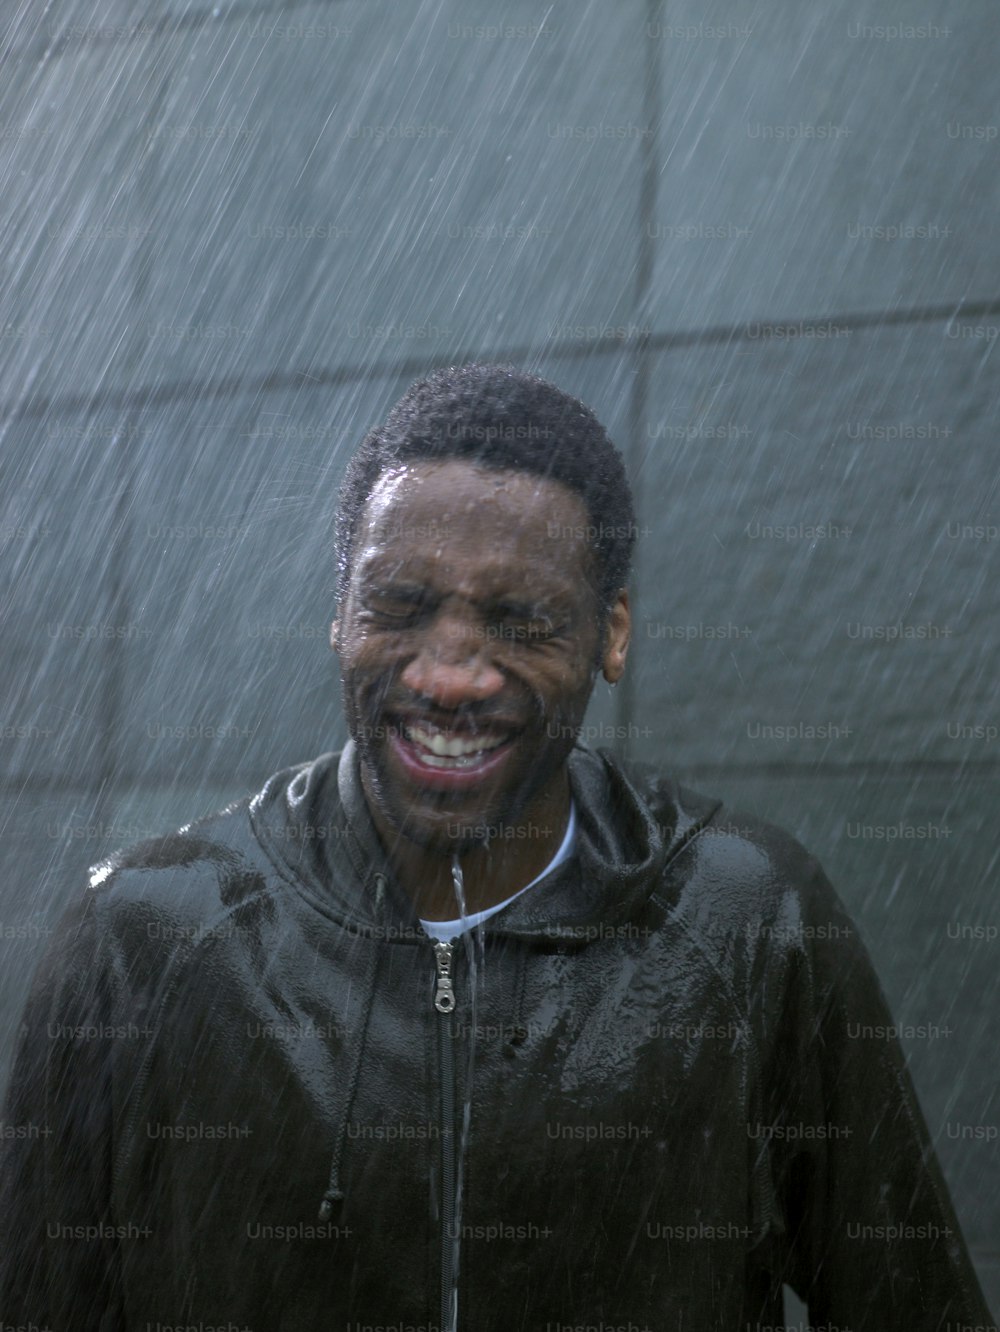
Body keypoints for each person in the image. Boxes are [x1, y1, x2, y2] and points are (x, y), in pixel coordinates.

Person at [0, 363, 993, 1332]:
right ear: (338, 610)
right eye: (398, 605)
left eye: (519, 621)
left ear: (611, 635)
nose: (449, 675)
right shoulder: (143, 942)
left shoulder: (744, 920)